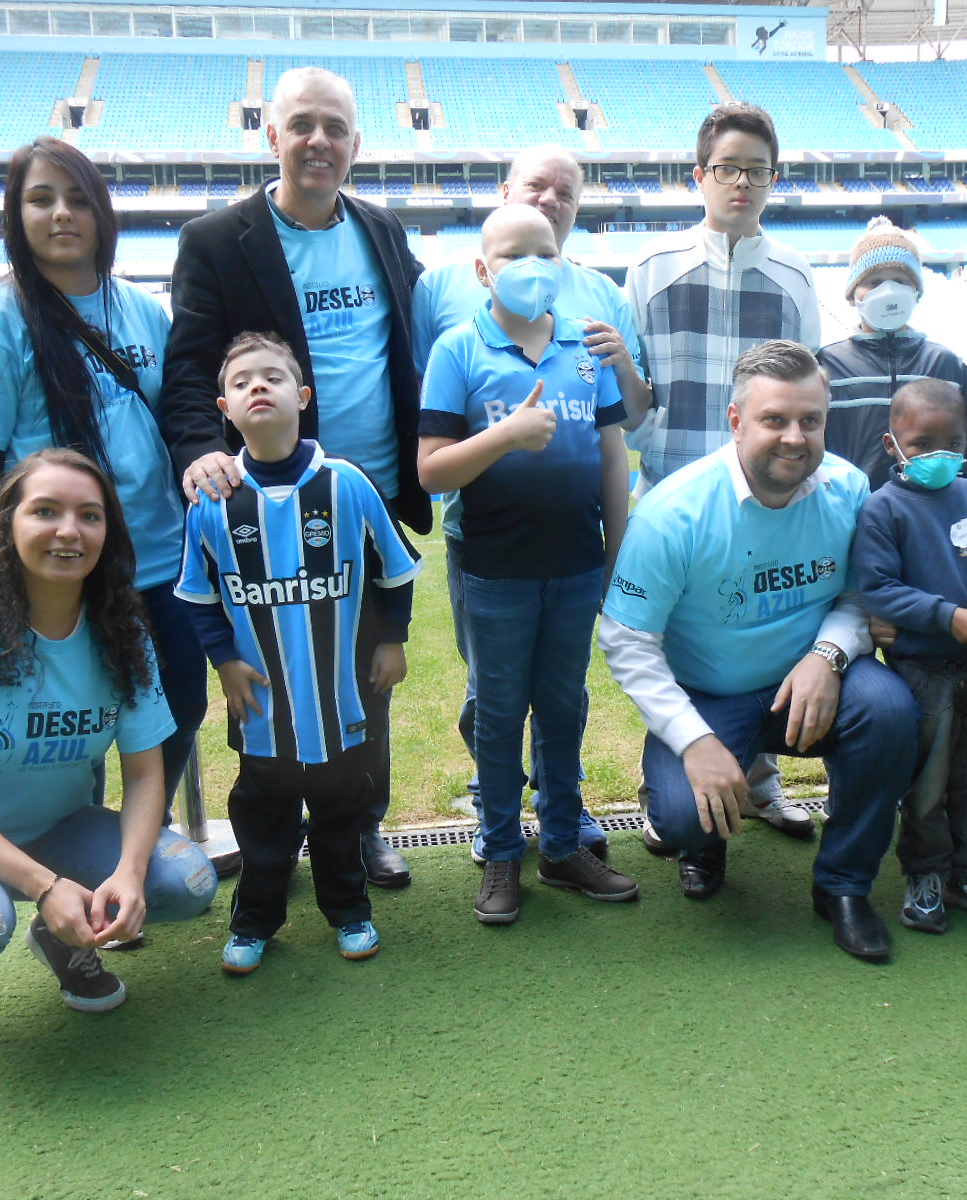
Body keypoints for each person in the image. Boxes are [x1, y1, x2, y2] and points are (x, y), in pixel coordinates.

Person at [0, 449, 219, 1077]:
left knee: (185, 883)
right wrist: (46, 886)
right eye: (46, 511)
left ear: (108, 534)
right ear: (7, 526)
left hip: (57, 830)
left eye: (90, 515)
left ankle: (62, 937)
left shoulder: (122, 636)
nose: (69, 531)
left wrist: (132, 873)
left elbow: (144, 774)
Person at [161, 66, 428, 889]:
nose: (319, 140)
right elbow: (189, 372)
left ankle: (360, 828)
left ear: (356, 144)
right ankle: (274, 832)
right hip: (267, 510)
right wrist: (201, 453)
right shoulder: (217, 240)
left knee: (366, 682)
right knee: (273, 681)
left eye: (336, 127)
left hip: (366, 501)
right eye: (302, 124)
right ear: (271, 136)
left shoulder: (383, 230)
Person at [599, 341, 919, 962]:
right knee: (683, 815)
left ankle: (845, 886)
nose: (795, 438)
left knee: (891, 712)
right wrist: (693, 741)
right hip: (709, 696)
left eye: (811, 420)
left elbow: (860, 595)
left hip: (812, 682)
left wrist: (827, 656)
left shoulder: (849, 490)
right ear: (737, 420)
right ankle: (704, 839)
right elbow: (627, 640)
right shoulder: (673, 513)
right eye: (775, 419)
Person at [0, 137, 205, 815]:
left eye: (78, 198)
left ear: (102, 215)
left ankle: (139, 837)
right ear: (15, 214)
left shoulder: (144, 311)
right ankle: (86, 868)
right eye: (41, 198)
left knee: (182, 705)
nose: (62, 214)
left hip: (163, 562)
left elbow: (178, 423)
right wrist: (13, 572)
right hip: (64, 570)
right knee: (75, 730)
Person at [412, 144, 647, 862]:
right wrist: (507, 436)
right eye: (514, 255)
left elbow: (616, 447)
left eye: (545, 253)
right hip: (492, 561)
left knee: (564, 702)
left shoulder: (587, 337)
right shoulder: (456, 340)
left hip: (575, 563)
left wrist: (613, 554)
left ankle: (565, 836)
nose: (532, 267)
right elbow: (433, 468)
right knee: (497, 704)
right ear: (482, 270)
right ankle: (499, 842)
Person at [177, 333, 421, 973]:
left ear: (303, 397)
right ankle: (256, 921)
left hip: (341, 702)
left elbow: (394, 571)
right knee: (265, 827)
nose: (258, 387)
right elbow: (200, 599)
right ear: (224, 408)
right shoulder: (212, 503)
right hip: (261, 710)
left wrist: (392, 639)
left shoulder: (347, 484)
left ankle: (349, 911)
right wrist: (226, 663)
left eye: (274, 377)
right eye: (242, 381)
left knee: (342, 819)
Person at [624, 101, 823, 844]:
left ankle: (761, 781)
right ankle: (673, 778)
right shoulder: (650, 271)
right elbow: (636, 403)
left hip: (770, 506)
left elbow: (806, 395)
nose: (743, 183)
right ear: (699, 175)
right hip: (676, 503)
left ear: (775, 180)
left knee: (769, 632)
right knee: (681, 650)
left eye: (758, 171)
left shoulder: (796, 277)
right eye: (728, 168)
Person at [853, 380, 967, 934]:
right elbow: (879, 589)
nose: (938, 455)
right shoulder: (883, 510)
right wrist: (951, 618)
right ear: (892, 444)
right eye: (922, 443)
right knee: (926, 783)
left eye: (951, 442)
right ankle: (926, 869)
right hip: (922, 670)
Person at [816, 217, 967, 489]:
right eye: (874, 281)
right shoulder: (827, 365)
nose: (888, 291)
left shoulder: (946, 364)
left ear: (916, 291)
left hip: (929, 515)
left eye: (900, 279)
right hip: (848, 513)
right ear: (852, 295)